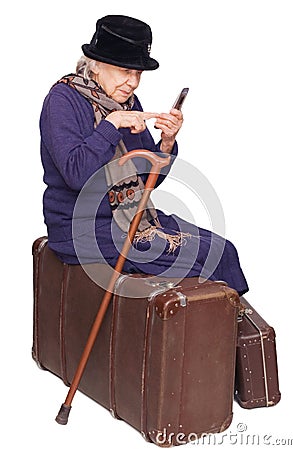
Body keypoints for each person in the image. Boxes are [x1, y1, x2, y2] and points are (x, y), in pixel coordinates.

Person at [40, 15, 249, 295]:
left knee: (222, 251)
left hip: (134, 218)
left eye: (138, 74)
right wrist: (112, 125)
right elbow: (77, 175)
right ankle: (215, 333)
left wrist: (166, 143)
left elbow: (148, 180)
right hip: (81, 230)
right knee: (199, 264)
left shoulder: (125, 101)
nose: (134, 82)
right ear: (97, 65)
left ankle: (236, 333)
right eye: (126, 71)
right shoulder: (62, 100)